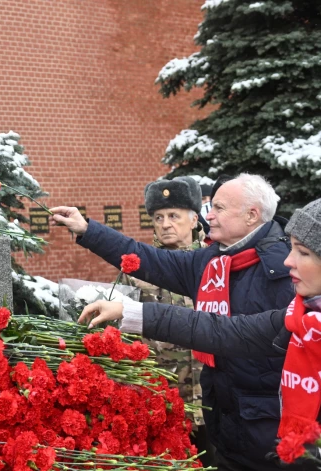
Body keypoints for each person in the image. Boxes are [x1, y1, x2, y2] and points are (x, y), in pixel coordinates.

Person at [77, 193, 321, 471]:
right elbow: (223, 331)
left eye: (303, 253)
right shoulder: (303, 315)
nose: (288, 261)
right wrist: (132, 312)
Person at [51, 173, 294, 471]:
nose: (210, 215)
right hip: (229, 422)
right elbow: (147, 259)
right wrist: (87, 229)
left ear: (252, 215)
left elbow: (226, 333)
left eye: (218, 208)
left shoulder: (285, 270)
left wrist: (133, 313)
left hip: (272, 433)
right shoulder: (213, 261)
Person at [138, 177, 207, 447]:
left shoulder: (217, 264)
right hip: (165, 401)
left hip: (214, 400)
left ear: (193, 219)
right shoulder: (139, 269)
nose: (165, 224)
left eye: (173, 215)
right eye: (158, 217)